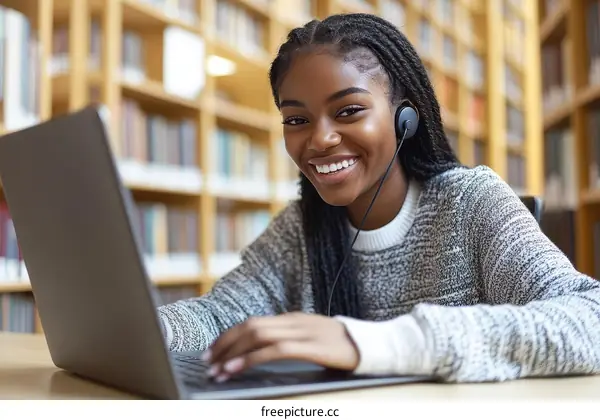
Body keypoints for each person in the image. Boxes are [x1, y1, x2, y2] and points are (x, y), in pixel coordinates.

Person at [157, 13, 600, 384]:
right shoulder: (298, 228)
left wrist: (370, 343)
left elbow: (590, 320)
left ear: (405, 115)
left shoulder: (470, 203)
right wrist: (136, 332)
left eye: (348, 111)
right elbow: (219, 317)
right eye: (296, 119)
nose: (320, 139)